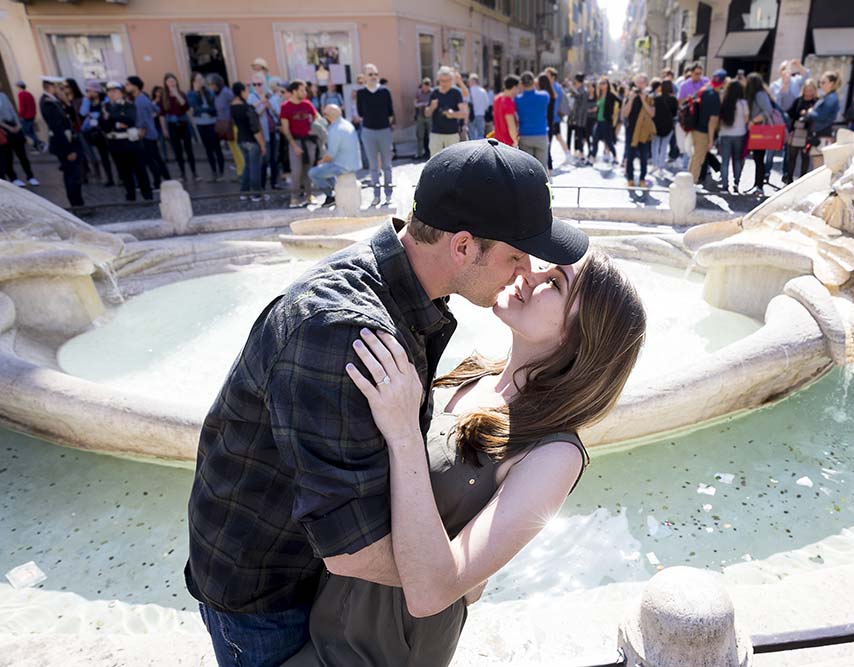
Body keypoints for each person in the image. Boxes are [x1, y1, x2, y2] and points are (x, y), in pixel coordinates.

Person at [186, 139, 591, 667]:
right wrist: (456, 576)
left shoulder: (407, 287)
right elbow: (352, 550)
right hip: (267, 594)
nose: (525, 271)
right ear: (464, 247)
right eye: (516, 254)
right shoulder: (341, 331)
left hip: (307, 579)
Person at [286, 248, 645, 667]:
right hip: (323, 611)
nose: (530, 272)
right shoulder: (475, 371)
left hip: (385, 648)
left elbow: (434, 593)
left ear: (582, 334)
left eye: (555, 282)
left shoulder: (555, 453)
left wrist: (403, 431)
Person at [100, 80, 152, 202]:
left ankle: (147, 195)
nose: (112, 94)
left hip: (130, 142)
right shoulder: (105, 107)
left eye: (115, 91)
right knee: (124, 172)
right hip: (115, 144)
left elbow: (130, 120)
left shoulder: (128, 105)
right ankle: (130, 196)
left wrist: (111, 118)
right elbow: (103, 124)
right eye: (109, 91)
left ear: (121, 93)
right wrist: (116, 122)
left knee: (140, 170)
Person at [39, 75, 84, 206]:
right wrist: (69, 150)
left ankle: (78, 203)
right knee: (72, 175)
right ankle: (76, 205)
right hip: (65, 145)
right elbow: (57, 128)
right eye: (59, 87)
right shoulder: (48, 102)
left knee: (74, 175)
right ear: (50, 87)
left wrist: (67, 102)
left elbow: (71, 118)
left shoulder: (55, 101)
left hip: (69, 141)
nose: (62, 90)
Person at [308, 103, 362, 205]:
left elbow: (330, 155)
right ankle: (334, 191)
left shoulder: (335, 129)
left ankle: (330, 196)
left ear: (328, 116)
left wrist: (321, 162)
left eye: (325, 114)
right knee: (327, 168)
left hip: (342, 166)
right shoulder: (347, 124)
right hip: (354, 163)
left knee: (313, 173)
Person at [280, 79, 320, 207]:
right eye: (302, 90)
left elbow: (318, 120)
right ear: (294, 91)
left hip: (309, 142)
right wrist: (294, 145)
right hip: (295, 142)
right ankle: (294, 198)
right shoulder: (285, 107)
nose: (305, 92)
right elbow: (285, 129)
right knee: (296, 172)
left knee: (308, 171)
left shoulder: (308, 104)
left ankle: (309, 196)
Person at [126, 76, 170, 189]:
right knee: (156, 159)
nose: (126, 87)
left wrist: (142, 131)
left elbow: (142, 120)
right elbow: (156, 110)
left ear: (135, 86)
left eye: (128, 84)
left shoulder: (140, 101)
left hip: (146, 135)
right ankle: (167, 179)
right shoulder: (143, 98)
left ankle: (157, 184)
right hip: (150, 133)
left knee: (151, 161)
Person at [356, 63, 395, 191]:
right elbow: (360, 112)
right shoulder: (361, 93)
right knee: (373, 166)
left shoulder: (385, 91)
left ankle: (388, 193)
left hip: (384, 131)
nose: (374, 76)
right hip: (368, 131)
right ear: (364, 77)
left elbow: (391, 112)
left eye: (376, 74)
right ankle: (376, 194)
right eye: (370, 74)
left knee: (387, 165)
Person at [230, 82, 266, 202]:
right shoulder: (246, 108)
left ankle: (244, 192)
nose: (247, 93)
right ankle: (256, 194)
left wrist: (260, 103)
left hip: (241, 140)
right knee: (254, 168)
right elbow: (255, 129)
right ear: (241, 92)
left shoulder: (233, 107)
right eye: (246, 91)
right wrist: (262, 145)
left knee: (247, 167)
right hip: (252, 141)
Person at [160, 73, 199, 181]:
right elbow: (162, 115)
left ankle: (194, 172)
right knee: (177, 151)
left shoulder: (181, 94)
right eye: (169, 81)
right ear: (165, 83)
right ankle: (182, 173)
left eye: (173, 81)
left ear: (176, 82)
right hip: (172, 126)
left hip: (183, 124)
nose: (171, 83)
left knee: (189, 149)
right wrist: (164, 129)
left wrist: (176, 94)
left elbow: (185, 106)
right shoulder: (163, 97)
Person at [0, 81, 39, 187]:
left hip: (14, 126)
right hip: (4, 129)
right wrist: (7, 127)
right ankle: (13, 178)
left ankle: (30, 176)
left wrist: (18, 124)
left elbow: (12, 110)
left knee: (22, 155)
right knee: (8, 157)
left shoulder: (3, 95)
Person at [187, 73, 225, 181]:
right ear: (193, 81)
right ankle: (214, 171)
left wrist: (205, 110)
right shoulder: (191, 94)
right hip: (201, 124)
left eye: (201, 79)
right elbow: (194, 107)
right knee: (208, 149)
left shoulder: (209, 92)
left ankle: (221, 172)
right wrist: (195, 91)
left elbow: (214, 107)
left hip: (213, 123)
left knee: (217, 148)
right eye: (197, 80)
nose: (200, 82)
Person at [745, 72, 777, 195]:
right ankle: (756, 185)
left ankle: (759, 186)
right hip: (756, 130)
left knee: (759, 158)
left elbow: (768, 111)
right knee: (757, 158)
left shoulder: (759, 94)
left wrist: (753, 120)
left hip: (760, 129)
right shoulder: (759, 94)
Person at [248, 72, 281, 191]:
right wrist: (263, 106)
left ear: (264, 84)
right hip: (263, 132)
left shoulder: (271, 96)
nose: (257, 86)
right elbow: (252, 115)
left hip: (273, 130)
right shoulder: (251, 98)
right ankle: (261, 185)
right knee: (264, 159)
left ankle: (274, 182)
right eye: (254, 84)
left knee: (274, 158)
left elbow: (278, 113)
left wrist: (270, 107)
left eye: (259, 84)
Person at [622, 73, 656, 188]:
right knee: (630, 155)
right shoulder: (630, 96)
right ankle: (630, 178)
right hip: (631, 130)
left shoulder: (650, 97)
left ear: (646, 84)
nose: (640, 84)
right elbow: (624, 114)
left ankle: (642, 178)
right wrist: (631, 100)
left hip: (644, 132)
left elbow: (652, 113)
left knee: (644, 156)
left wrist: (643, 100)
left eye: (642, 82)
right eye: (638, 82)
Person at [689, 70, 721, 189]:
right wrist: (711, 140)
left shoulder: (703, 90)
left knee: (695, 157)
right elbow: (712, 122)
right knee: (699, 159)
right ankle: (692, 183)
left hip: (695, 128)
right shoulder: (715, 97)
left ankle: (689, 181)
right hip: (703, 132)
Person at [207, 74, 243, 179]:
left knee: (237, 149)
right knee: (233, 149)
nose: (210, 87)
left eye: (212, 84)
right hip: (224, 125)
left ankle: (243, 172)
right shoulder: (216, 94)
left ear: (217, 84)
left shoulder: (226, 93)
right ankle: (239, 171)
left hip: (232, 124)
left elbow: (235, 105)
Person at [426, 67, 467, 156]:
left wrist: (452, 114)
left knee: (452, 162)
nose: (444, 83)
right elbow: (427, 113)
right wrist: (432, 107)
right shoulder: (434, 93)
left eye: (446, 81)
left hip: (452, 134)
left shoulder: (456, 92)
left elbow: (464, 113)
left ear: (451, 80)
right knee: (434, 162)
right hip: (436, 133)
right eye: (441, 81)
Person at [783, 79, 818, 184]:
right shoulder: (798, 100)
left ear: (814, 90)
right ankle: (789, 179)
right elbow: (790, 113)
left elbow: (818, 118)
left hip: (808, 133)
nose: (808, 92)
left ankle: (802, 180)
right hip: (796, 131)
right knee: (792, 156)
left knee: (805, 157)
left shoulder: (816, 102)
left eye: (810, 90)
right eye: (806, 90)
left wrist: (808, 114)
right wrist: (799, 114)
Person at [80, 80, 114, 187]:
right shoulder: (88, 101)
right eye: (87, 90)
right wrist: (86, 100)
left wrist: (94, 115)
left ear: (96, 91)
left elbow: (108, 114)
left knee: (114, 155)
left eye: (90, 90)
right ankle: (110, 178)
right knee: (103, 157)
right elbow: (83, 113)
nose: (89, 93)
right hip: (97, 134)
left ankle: (122, 177)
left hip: (108, 131)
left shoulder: (105, 100)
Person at [805, 72, 841, 171]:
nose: (821, 84)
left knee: (818, 167)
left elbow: (821, 116)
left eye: (823, 82)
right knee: (817, 165)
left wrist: (810, 112)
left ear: (832, 83)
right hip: (819, 134)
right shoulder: (828, 96)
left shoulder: (831, 98)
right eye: (820, 82)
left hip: (822, 135)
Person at [514, 71, 550, 169]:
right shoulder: (544, 96)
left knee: (527, 168)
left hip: (525, 135)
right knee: (542, 168)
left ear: (521, 84)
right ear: (534, 82)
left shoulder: (517, 99)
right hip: (541, 135)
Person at [718, 78, 748, 194]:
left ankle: (725, 186)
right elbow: (746, 119)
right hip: (739, 134)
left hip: (725, 134)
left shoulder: (724, 101)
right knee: (737, 160)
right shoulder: (743, 103)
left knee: (725, 161)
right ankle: (736, 183)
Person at [588, 76, 619, 164]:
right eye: (600, 83)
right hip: (598, 121)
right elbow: (599, 107)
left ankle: (615, 157)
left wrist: (614, 113)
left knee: (608, 141)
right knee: (595, 140)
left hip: (606, 121)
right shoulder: (600, 95)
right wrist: (594, 110)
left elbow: (619, 102)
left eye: (604, 83)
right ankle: (592, 158)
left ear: (607, 85)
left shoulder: (610, 95)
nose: (601, 85)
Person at [650, 77, 677, 176]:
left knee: (655, 145)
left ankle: (655, 164)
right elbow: (674, 114)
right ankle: (661, 166)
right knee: (664, 146)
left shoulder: (656, 99)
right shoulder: (674, 99)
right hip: (668, 124)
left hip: (657, 124)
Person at [545, 66, 571, 155]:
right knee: (558, 137)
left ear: (552, 77)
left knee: (555, 137)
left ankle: (567, 153)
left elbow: (555, 105)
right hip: (554, 117)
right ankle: (567, 153)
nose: (545, 77)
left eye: (547, 75)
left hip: (553, 117)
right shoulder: (555, 86)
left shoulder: (554, 88)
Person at [536, 73, 560, 170]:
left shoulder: (542, 96)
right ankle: (550, 172)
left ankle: (546, 172)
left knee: (543, 150)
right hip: (550, 123)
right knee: (548, 149)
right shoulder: (552, 95)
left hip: (542, 124)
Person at [15, 81, 45, 152]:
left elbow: (22, 106)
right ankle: (37, 147)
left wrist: (20, 116)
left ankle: (41, 143)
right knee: (31, 132)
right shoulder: (29, 94)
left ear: (19, 87)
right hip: (32, 115)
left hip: (26, 116)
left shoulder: (21, 94)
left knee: (26, 132)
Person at [492, 74, 520, 148]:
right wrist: (515, 140)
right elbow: (511, 125)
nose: (518, 91)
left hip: (498, 140)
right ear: (514, 87)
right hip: (507, 142)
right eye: (518, 88)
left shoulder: (497, 98)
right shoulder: (508, 103)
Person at [413, 78, 433, 159]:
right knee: (420, 136)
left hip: (430, 116)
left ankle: (431, 153)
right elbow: (415, 104)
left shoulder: (432, 92)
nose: (426, 88)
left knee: (431, 136)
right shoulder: (419, 92)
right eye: (425, 86)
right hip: (420, 116)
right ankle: (419, 153)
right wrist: (422, 104)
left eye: (427, 87)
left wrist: (428, 105)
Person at [467, 74, 490, 140]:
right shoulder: (483, 91)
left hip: (471, 116)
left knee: (472, 134)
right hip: (480, 114)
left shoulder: (468, 91)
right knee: (480, 134)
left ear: (472, 81)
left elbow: (466, 103)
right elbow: (487, 104)